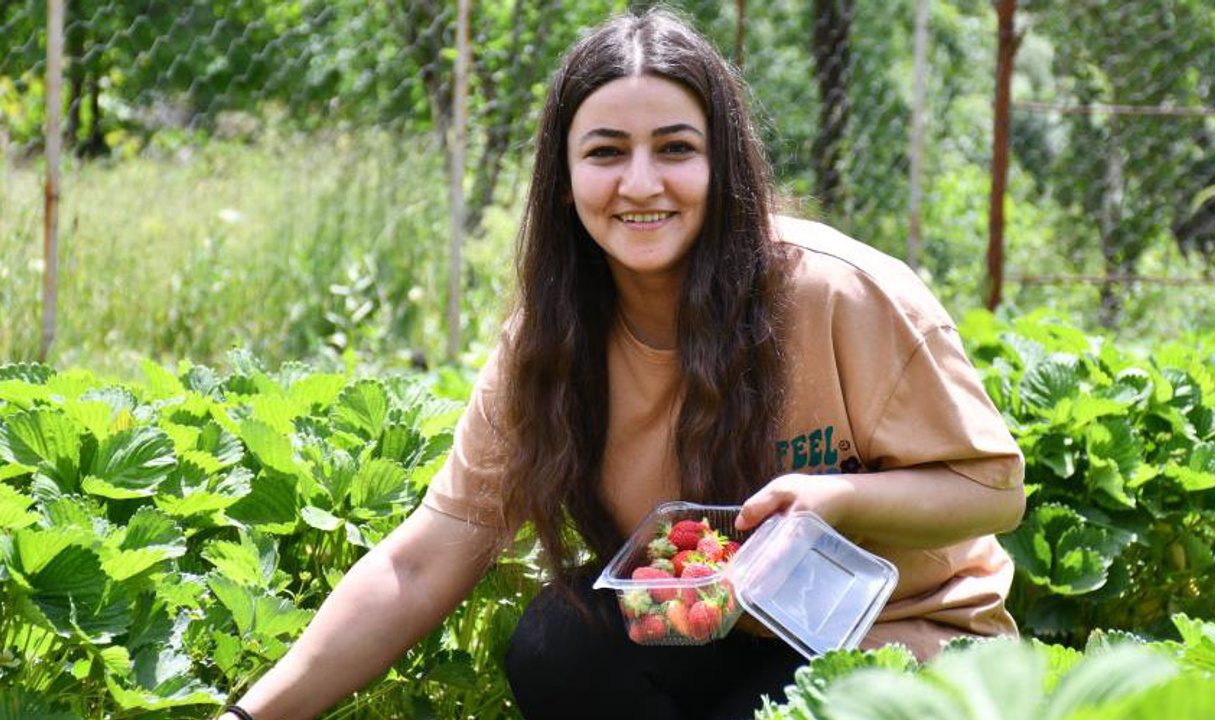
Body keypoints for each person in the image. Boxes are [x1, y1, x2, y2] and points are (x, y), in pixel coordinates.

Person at [219, 8, 1025, 720]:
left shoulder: (839, 293)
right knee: (558, 647)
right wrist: (251, 716)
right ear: (565, 181)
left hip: (889, 636)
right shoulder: (553, 338)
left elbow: (994, 492)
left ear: (723, 166)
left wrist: (836, 499)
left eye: (676, 149)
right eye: (606, 152)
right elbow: (423, 559)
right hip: (703, 629)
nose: (641, 184)